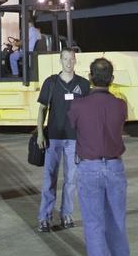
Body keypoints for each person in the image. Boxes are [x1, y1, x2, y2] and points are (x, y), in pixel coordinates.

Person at [68, 57, 129, 256]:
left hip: (89, 167)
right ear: (111, 79)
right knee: (117, 222)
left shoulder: (78, 105)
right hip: (114, 166)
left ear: (90, 77)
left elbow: (72, 126)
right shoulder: (120, 105)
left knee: (93, 223)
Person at [35, 48, 91, 233]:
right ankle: (44, 217)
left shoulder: (83, 84)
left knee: (71, 180)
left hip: (74, 139)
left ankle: (67, 214)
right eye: (65, 59)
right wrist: (40, 133)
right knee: (49, 179)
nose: (68, 62)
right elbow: (42, 109)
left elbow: (87, 114)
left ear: (76, 61)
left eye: (71, 59)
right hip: (53, 138)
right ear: (60, 60)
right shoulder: (51, 82)